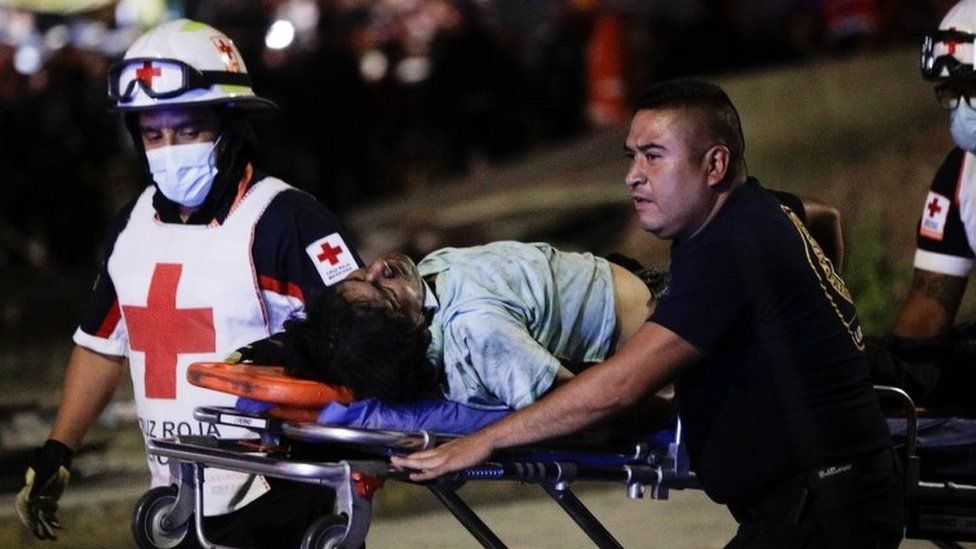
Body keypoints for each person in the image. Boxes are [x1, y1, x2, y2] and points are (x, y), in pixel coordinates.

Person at [391, 79, 904, 547]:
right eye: (631, 156)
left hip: (825, 507)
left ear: (715, 165)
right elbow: (822, 212)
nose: (633, 177)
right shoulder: (752, 213)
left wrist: (485, 441)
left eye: (654, 157)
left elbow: (620, 386)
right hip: (819, 499)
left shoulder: (733, 245)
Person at [15, 19, 363, 547]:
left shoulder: (286, 222)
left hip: (282, 494)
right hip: (177, 499)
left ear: (231, 127)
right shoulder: (131, 229)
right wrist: (58, 449)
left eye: (188, 130)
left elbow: (367, 339)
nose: (169, 149)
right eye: (153, 134)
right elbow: (101, 346)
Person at [262, 241, 662, 413]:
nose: (379, 268)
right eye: (384, 291)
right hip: (653, 330)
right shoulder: (478, 332)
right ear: (416, 333)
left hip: (633, 288)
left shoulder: (428, 286)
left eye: (361, 274)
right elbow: (575, 406)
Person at [875, 0, 976, 410]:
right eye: (953, 92)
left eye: (974, 88)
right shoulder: (960, 175)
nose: (962, 108)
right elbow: (927, 310)